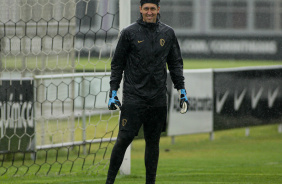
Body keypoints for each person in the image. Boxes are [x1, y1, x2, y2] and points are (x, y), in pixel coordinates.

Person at [106, 0, 189, 183]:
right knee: (123, 140)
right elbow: (117, 64)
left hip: (158, 99)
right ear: (140, 9)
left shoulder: (168, 33)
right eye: (146, 9)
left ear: (158, 9)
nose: (149, 12)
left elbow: (175, 64)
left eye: (153, 9)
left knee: (153, 143)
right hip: (134, 98)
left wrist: (181, 90)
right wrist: (113, 92)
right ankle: (109, 181)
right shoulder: (129, 33)